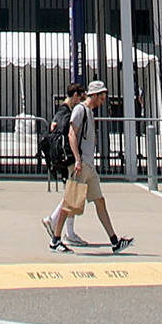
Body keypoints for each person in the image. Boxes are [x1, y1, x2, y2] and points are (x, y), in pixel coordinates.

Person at [47, 76, 129, 254]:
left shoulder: (89, 112)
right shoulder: (80, 110)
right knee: (70, 202)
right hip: (81, 164)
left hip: (88, 166)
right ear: (95, 94)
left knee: (99, 201)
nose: (103, 101)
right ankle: (55, 239)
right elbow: (72, 134)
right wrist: (77, 159)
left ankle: (114, 241)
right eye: (102, 97)